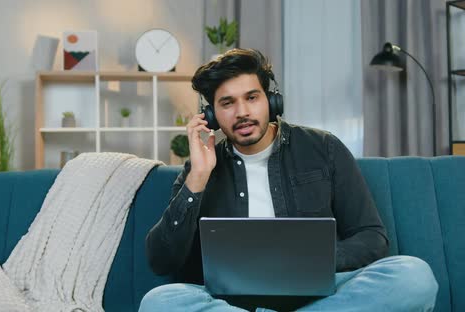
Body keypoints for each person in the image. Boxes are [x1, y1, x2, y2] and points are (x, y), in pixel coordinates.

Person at [139, 48, 438, 312]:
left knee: (414, 277)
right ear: (212, 115)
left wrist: (310, 263)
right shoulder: (200, 168)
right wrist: (198, 178)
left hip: (320, 294)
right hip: (232, 302)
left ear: (272, 100)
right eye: (227, 103)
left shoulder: (324, 148)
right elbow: (161, 261)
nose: (242, 112)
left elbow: (372, 236)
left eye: (252, 97)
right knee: (158, 302)